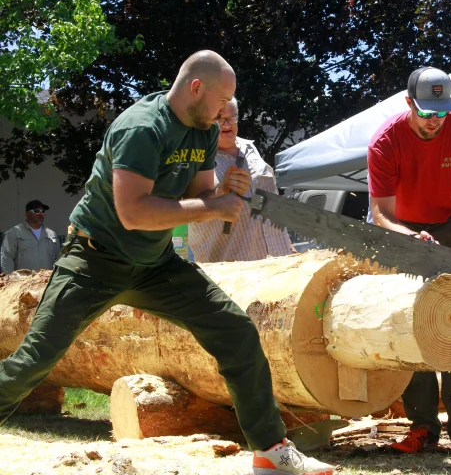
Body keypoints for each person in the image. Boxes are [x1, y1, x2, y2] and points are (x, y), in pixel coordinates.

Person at [0, 51, 333, 475]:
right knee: (36, 360)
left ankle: (270, 450)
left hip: (155, 262)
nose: (224, 114)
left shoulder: (203, 130)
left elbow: (200, 196)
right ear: (196, 88)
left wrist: (224, 191)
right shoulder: (142, 128)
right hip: (95, 259)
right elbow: (133, 213)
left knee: (236, 331)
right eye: (220, 102)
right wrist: (212, 208)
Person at [368, 66, 451, 454]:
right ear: (409, 103)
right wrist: (410, 238)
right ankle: (422, 426)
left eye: (441, 113)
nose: (434, 121)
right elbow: (381, 214)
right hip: (402, 229)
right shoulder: (384, 142)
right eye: (425, 113)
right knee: (411, 328)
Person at [188, 98, 293, 262]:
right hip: (234, 273)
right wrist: (220, 191)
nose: (227, 125)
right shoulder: (194, 156)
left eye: (232, 118)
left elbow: (266, 200)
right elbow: (189, 211)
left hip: (279, 262)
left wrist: (287, 244)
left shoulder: (249, 148)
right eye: (220, 119)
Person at [1, 200, 60, 273]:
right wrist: (8, 280)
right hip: (23, 282)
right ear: (27, 214)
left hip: (46, 282)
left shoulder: (52, 235)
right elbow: (6, 258)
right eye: (36, 211)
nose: (40, 214)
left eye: (43, 211)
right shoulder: (15, 233)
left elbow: (58, 260)